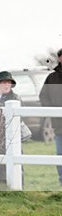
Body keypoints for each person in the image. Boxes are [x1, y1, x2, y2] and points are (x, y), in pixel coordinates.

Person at [39, 48, 62, 184]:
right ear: (59, 58)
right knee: (60, 154)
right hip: (59, 124)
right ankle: (61, 180)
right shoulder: (52, 78)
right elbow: (43, 96)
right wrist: (52, 110)